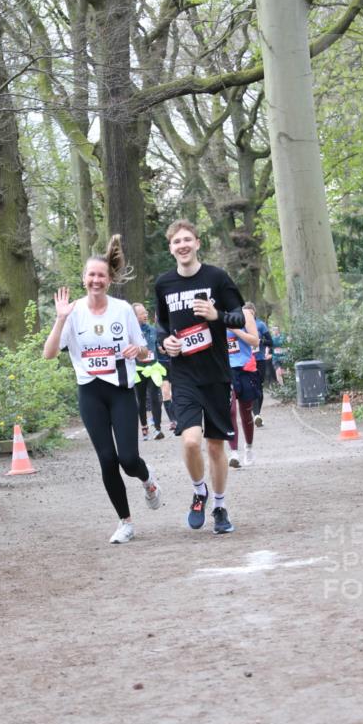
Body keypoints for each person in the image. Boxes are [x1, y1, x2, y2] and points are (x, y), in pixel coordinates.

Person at [43, 236, 162, 545]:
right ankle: (125, 522)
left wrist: (138, 351)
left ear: (109, 279)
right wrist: (60, 319)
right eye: (91, 275)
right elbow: (49, 354)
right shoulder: (73, 312)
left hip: (121, 390)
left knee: (128, 458)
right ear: (84, 279)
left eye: (101, 275)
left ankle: (148, 482)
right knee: (107, 460)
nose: (96, 280)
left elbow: (147, 353)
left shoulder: (122, 310)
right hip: (90, 393)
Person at [155, 218, 246, 535]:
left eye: (187, 240)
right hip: (184, 377)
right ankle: (199, 491)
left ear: (197, 243)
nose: (182, 245)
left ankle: (219, 507)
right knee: (191, 442)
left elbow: (241, 318)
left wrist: (216, 315)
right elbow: (162, 326)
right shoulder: (164, 284)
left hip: (217, 375)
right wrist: (163, 343)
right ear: (171, 248)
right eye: (176, 241)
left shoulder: (217, 278)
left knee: (216, 448)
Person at [227, 306, 260, 468]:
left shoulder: (245, 314)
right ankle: (234, 453)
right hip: (226, 371)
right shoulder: (214, 314)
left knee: (246, 414)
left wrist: (236, 330)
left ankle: (249, 448)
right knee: (230, 410)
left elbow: (255, 341)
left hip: (245, 368)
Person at [132, 303, 165, 440]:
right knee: (141, 399)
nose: (145, 315)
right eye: (142, 313)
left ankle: (157, 429)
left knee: (155, 397)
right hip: (138, 369)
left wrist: (161, 348)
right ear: (134, 316)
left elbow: (157, 344)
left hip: (153, 368)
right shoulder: (130, 332)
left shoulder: (153, 330)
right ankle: (144, 427)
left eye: (145, 313)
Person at [244, 301, 273, 427]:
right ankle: (255, 414)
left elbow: (270, 342)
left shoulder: (260, 325)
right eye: (246, 313)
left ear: (254, 312)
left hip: (259, 360)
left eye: (250, 313)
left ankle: (257, 414)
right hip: (245, 360)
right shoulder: (240, 326)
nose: (248, 316)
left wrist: (260, 341)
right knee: (252, 387)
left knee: (259, 389)